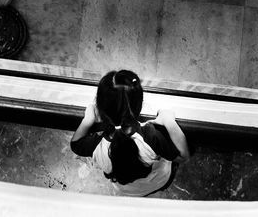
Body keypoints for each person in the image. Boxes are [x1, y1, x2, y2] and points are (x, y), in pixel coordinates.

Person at [70, 69, 191, 197]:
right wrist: (169, 121)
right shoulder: (150, 136)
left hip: (126, 190)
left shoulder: (96, 145)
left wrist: (87, 120)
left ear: (99, 109)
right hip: (159, 181)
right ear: (140, 106)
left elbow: (75, 144)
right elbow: (183, 157)